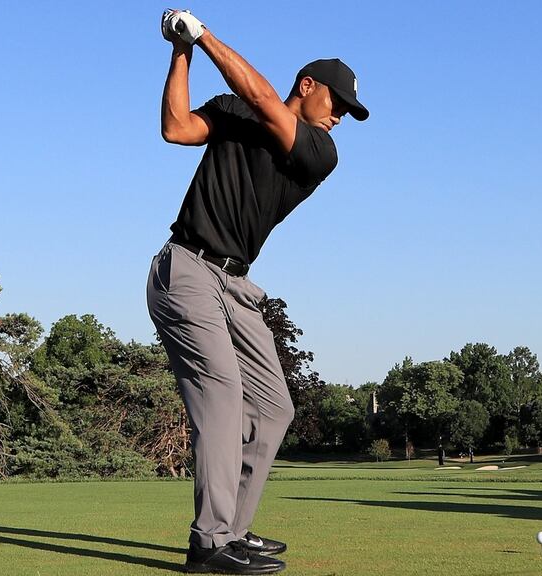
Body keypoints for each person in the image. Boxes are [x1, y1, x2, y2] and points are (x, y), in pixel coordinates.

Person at [147, 9, 368, 575]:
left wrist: (205, 35)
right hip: (187, 270)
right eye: (337, 103)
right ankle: (209, 545)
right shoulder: (232, 110)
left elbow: (266, 100)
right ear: (309, 85)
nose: (340, 117)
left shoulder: (320, 152)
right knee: (221, 397)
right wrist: (181, 51)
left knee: (273, 407)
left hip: (236, 284)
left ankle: (233, 532)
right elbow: (176, 127)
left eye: (347, 111)